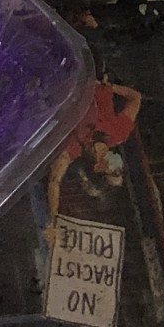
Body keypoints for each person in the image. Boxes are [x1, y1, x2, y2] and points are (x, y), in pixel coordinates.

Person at [41, 78, 144, 233]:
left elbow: (55, 181)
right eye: (120, 171)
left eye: (114, 172)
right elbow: (135, 97)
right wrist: (110, 87)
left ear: (98, 168)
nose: (118, 167)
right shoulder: (119, 133)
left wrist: (54, 219)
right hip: (88, 72)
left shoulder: (73, 149)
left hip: (59, 85)